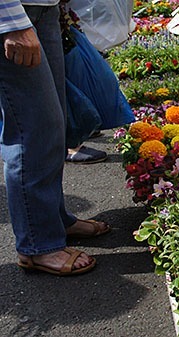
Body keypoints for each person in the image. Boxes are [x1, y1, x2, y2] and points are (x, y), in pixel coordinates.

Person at [1, 0, 110, 276]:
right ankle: (38, 245)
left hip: (42, 8)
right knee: (33, 128)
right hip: (14, 13)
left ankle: (53, 221)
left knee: (53, 126)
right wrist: (10, 23)